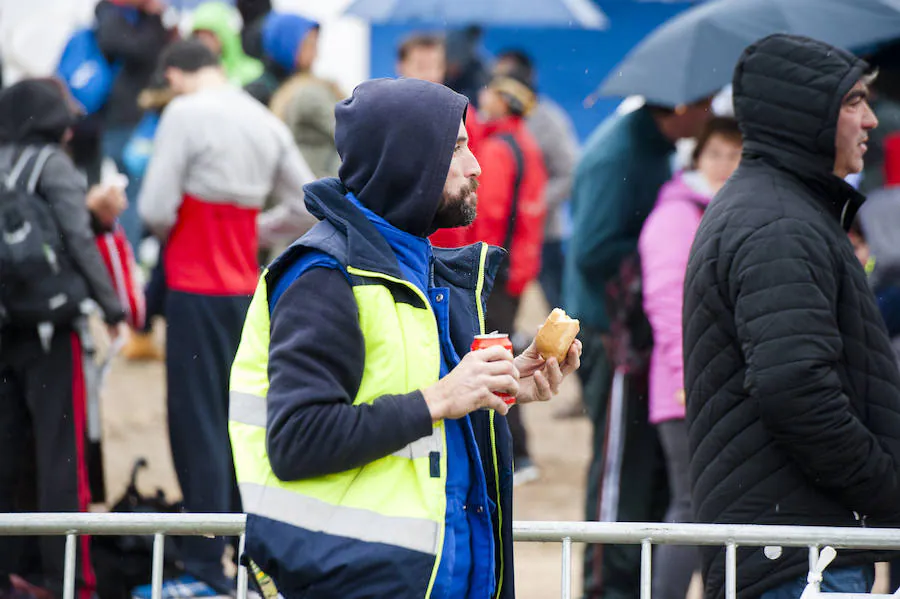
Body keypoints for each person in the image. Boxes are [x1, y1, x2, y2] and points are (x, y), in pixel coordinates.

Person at [228, 77, 581, 598]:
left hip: (445, 578)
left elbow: (425, 421)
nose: (476, 166)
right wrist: (444, 396)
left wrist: (505, 385)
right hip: (353, 582)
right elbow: (297, 440)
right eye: (457, 149)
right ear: (408, 163)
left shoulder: (427, 271)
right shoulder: (325, 276)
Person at [683, 34, 891, 599]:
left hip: (798, 547)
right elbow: (795, 388)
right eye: (853, 102)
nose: (871, 119)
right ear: (805, 115)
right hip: (796, 559)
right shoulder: (777, 224)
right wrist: (887, 486)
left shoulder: (783, 209)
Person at [137, 40, 316, 593]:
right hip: (246, 291)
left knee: (197, 426)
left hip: (193, 286)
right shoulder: (263, 119)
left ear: (176, 73)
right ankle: (248, 555)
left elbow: (153, 209)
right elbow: (309, 201)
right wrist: (257, 229)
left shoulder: (184, 113)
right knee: (244, 422)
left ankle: (199, 564)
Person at [567, 92, 711, 599]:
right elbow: (591, 250)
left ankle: (641, 582)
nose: (711, 111)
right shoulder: (620, 152)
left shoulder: (654, 147)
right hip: (613, 335)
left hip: (642, 333)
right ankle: (606, 587)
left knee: (648, 474)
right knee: (619, 472)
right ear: (677, 107)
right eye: (705, 103)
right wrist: (667, 245)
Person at [0, 78, 126, 599]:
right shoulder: (53, 166)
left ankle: (11, 572)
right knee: (62, 458)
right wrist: (114, 306)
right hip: (55, 333)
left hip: (7, 327)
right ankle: (69, 578)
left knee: (8, 455)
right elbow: (79, 241)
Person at [638, 116, 741, 599]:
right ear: (696, 157)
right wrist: (688, 376)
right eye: (716, 153)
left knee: (714, 507)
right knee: (691, 504)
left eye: (735, 154)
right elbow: (664, 302)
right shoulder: (676, 215)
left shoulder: (726, 210)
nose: (726, 164)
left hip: (719, 384)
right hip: (686, 387)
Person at [471, 69, 548, 484]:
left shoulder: (500, 148)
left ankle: (516, 453)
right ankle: (515, 451)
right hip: (517, 267)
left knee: (493, 355)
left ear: (505, 101)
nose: (484, 96)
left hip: (496, 270)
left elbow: (489, 214)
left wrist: (474, 264)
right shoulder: (525, 142)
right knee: (500, 351)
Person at [494, 50, 578, 313]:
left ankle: (574, 350)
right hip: (508, 234)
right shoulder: (495, 120)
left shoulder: (548, 120)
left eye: (508, 76)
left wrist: (535, 204)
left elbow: (570, 172)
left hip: (544, 234)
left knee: (560, 305)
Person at [94, 0, 172, 250]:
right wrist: (153, 18)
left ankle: (130, 251)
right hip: (123, 122)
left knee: (134, 189)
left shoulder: (129, 17)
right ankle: (128, 254)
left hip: (132, 121)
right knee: (132, 192)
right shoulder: (112, 16)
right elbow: (142, 50)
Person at [266, 15, 342, 180]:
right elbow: (347, 133)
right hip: (313, 187)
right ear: (288, 43)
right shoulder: (306, 92)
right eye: (309, 45)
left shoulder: (309, 86)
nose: (316, 55)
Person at [244, 12, 319, 109]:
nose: (315, 55)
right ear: (287, 46)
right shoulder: (256, 96)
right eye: (310, 46)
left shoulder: (305, 88)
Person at [189, 1, 264, 87]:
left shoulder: (253, 72)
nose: (204, 42)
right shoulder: (191, 77)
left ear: (226, 35)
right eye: (198, 36)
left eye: (210, 35)